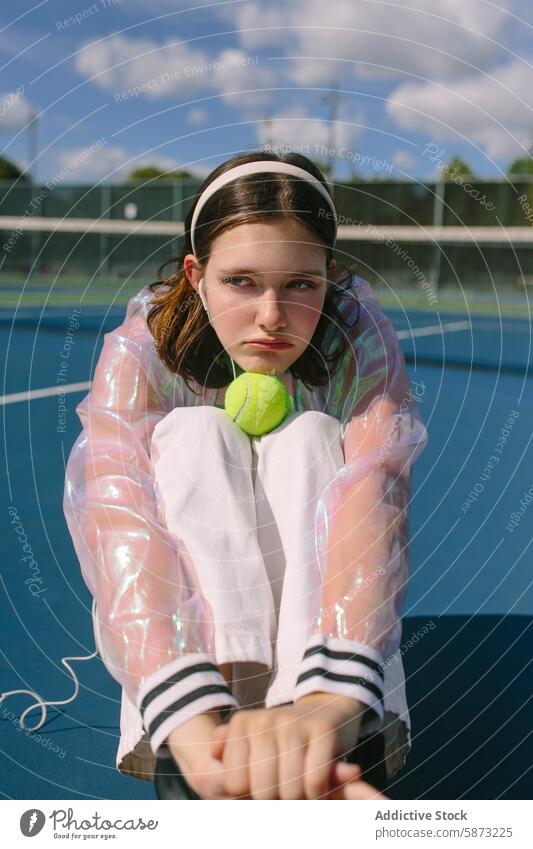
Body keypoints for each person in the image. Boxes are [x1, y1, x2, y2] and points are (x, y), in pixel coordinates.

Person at [62, 150, 428, 800]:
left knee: (313, 434)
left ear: (330, 276)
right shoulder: (141, 345)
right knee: (194, 432)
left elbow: (373, 491)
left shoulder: (356, 339)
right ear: (195, 274)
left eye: (300, 284)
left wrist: (328, 703)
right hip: (186, 650)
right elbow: (117, 508)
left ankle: (307, 712)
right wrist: (190, 714)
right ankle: (222, 723)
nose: (270, 315)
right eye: (240, 281)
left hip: (325, 662)